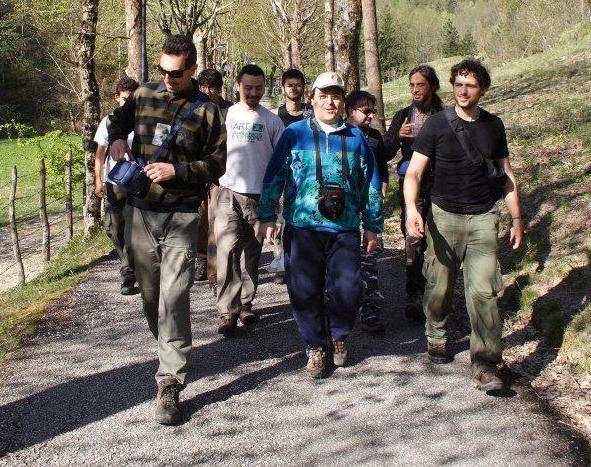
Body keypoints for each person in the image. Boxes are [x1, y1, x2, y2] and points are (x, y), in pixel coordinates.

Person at [107, 34, 226, 425]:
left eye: (175, 73)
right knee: (151, 296)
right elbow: (116, 122)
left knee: (174, 296)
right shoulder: (143, 95)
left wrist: (179, 170)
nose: (167, 78)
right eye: (162, 70)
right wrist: (117, 143)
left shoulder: (208, 112)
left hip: (182, 214)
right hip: (141, 212)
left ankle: (170, 380)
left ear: (192, 69)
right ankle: (169, 347)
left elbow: (218, 164)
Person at [404, 59, 523, 392]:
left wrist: (516, 218)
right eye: (458, 84)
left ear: (482, 89)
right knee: (439, 286)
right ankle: (436, 333)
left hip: (483, 217)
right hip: (443, 216)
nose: (463, 91)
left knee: (484, 291)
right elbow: (414, 172)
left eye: (470, 85)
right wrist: (412, 209)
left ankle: (485, 363)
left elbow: (507, 175)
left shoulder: (493, 126)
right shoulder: (437, 125)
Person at [258, 72, 383, 379]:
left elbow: (370, 183)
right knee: (304, 290)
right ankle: (315, 345)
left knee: (349, 287)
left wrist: (372, 224)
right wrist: (267, 215)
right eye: (323, 96)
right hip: (303, 227)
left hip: (344, 228)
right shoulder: (294, 133)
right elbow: (275, 175)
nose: (329, 102)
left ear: (342, 102)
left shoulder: (356, 138)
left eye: (335, 96)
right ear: (312, 99)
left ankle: (339, 334)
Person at [215, 64, 284, 336]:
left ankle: (246, 303)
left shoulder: (272, 121)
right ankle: (227, 312)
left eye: (258, 88)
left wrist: (276, 197)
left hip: (260, 196)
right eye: (248, 88)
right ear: (237, 86)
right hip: (228, 191)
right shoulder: (226, 116)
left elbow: (281, 161)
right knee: (226, 251)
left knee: (252, 254)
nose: (253, 93)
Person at [384, 65, 443, 323]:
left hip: (440, 186)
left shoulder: (444, 116)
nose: (415, 90)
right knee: (413, 238)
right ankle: (414, 294)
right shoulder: (403, 115)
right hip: (411, 185)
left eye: (421, 84)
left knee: (438, 239)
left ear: (432, 86)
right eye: (412, 85)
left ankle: (437, 294)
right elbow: (385, 152)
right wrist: (397, 136)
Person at [345, 90, 390, 334]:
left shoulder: (374, 137)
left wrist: (382, 187)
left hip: (369, 205)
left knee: (369, 259)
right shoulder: (339, 134)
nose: (371, 116)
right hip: (346, 206)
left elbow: (382, 168)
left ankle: (371, 311)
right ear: (350, 111)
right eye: (366, 111)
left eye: (373, 111)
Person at [93, 76, 140, 296]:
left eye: (132, 99)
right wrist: (98, 180)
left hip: (138, 182)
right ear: (116, 97)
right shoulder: (108, 121)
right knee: (113, 228)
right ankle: (129, 262)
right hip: (115, 182)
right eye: (124, 99)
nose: (127, 102)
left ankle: (128, 274)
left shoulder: (143, 120)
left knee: (133, 228)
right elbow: (100, 154)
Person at [269, 68, 314, 285]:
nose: (294, 89)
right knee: (279, 220)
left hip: (306, 175)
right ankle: (280, 261)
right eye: (290, 85)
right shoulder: (276, 115)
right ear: (283, 87)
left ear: (304, 87)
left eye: (298, 85)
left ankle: (301, 262)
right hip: (282, 174)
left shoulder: (311, 113)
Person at [194, 68, 232, 291]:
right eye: (204, 87)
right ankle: (201, 259)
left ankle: (214, 271)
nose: (208, 91)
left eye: (212, 87)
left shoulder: (230, 111)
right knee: (200, 220)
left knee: (216, 221)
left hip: (220, 173)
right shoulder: (194, 109)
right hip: (197, 172)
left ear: (220, 89)